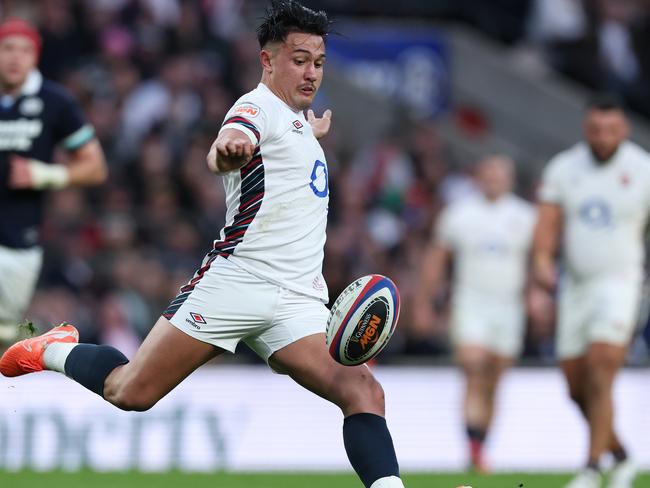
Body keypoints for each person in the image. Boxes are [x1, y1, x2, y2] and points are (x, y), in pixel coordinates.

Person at [0, 3, 405, 488]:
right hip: (236, 285)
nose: (311, 72)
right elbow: (230, 143)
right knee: (130, 391)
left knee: (363, 391)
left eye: (318, 62)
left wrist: (308, 132)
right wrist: (226, 151)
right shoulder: (253, 108)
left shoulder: (299, 122)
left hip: (297, 300)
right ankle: (51, 349)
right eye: (299, 60)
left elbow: (283, 146)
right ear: (267, 60)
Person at [533, 94, 647, 488]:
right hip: (575, 287)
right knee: (576, 386)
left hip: (621, 282)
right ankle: (623, 457)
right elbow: (547, 223)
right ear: (586, 128)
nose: (603, 138)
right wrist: (543, 261)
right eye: (596, 130)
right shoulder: (565, 168)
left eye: (611, 130)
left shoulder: (643, 169)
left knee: (602, 365)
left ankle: (592, 468)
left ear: (624, 130)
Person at [413, 155, 536, 471]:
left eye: (499, 174)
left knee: (494, 378)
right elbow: (436, 259)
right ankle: (472, 444)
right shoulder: (460, 214)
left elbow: (537, 262)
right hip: (471, 303)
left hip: (509, 307)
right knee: (473, 366)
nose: (493, 180)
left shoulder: (525, 216)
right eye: (488, 174)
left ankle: (480, 447)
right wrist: (424, 303)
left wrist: (537, 295)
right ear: (479, 177)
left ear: (509, 179)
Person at [0, 18, 107, 343]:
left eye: (25, 50)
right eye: (7, 49)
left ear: (36, 56)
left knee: (4, 330)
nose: (16, 58)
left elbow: (95, 167)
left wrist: (43, 174)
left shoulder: (54, 102)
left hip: (18, 240)